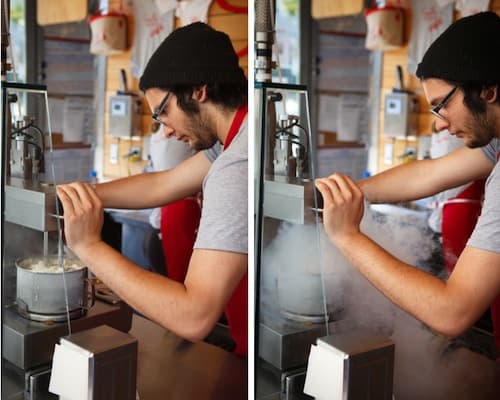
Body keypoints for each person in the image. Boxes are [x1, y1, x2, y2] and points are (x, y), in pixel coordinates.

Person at [57, 22, 249, 356]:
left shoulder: (237, 165)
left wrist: (88, 246)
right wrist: (83, 195)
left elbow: (195, 317)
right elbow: (163, 184)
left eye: (163, 112)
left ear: (197, 91)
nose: (167, 131)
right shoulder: (236, 139)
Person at [315, 11, 500, 353]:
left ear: (487, 90)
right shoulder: (496, 142)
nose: (439, 125)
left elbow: (452, 312)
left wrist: (347, 236)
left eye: (441, 105)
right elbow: (431, 173)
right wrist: (348, 192)